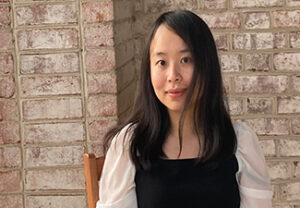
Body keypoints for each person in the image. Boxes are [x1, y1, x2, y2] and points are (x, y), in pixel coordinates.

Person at [96, 10, 273, 208]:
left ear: (207, 66)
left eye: (186, 60)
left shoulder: (239, 142)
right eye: (161, 62)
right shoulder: (130, 145)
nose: (173, 75)